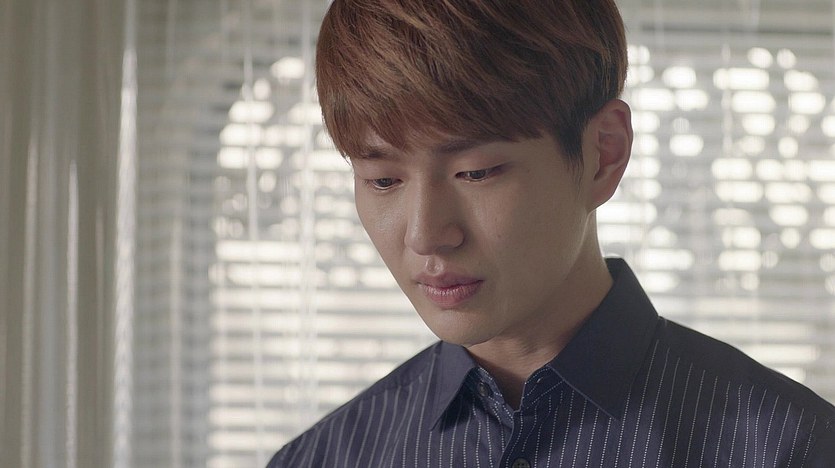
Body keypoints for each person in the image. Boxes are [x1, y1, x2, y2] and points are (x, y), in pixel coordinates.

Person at [269, 0, 835, 466]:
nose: (425, 235)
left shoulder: (788, 447)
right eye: (383, 179)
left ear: (603, 155)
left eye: (476, 172)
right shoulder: (321, 458)